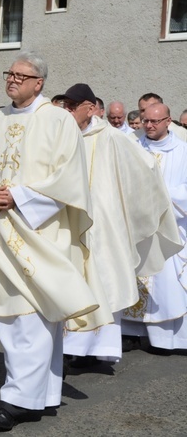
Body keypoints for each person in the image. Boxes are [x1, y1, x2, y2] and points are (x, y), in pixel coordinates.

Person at [0, 52, 103, 431]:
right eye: (9, 74)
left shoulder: (58, 120)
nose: (12, 80)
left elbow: (69, 176)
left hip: (41, 233)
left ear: (39, 83)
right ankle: (42, 396)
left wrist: (19, 197)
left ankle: (17, 401)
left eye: (21, 76)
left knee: (34, 318)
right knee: (13, 317)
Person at [59, 84, 180, 367]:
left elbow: (145, 167)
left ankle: (96, 349)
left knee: (104, 282)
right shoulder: (63, 136)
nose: (66, 112)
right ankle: (72, 348)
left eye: (71, 107)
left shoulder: (111, 138)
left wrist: (126, 205)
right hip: (69, 222)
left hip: (102, 223)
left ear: (89, 109)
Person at [122, 103, 187, 352]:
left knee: (166, 282)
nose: (148, 126)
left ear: (168, 121)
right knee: (134, 274)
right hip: (137, 226)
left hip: (170, 227)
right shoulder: (133, 146)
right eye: (145, 121)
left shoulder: (183, 151)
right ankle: (130, 332)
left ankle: (167, 339)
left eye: (154, 122)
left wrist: (159, 195)